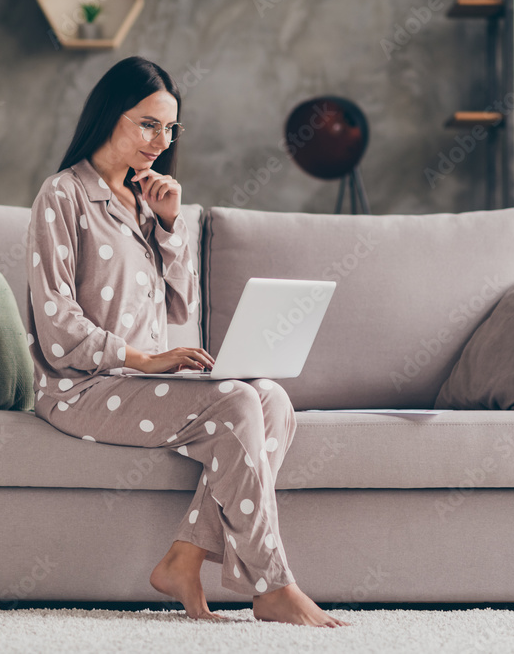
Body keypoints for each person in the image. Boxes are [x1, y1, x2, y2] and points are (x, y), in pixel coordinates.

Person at [26, 56, 349, 628]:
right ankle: (272, 585)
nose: (161, 140)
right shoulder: (63, 195)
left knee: (270, 397)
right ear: (108, 116)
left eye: (170, 127)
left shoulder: (146, 201)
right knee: (237, 401)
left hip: (142, 382)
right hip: (80, 388)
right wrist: (144, 359)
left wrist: (171, 226)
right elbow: (56, 326)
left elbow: (180, 308)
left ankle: (184, 557)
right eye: (148, 123)